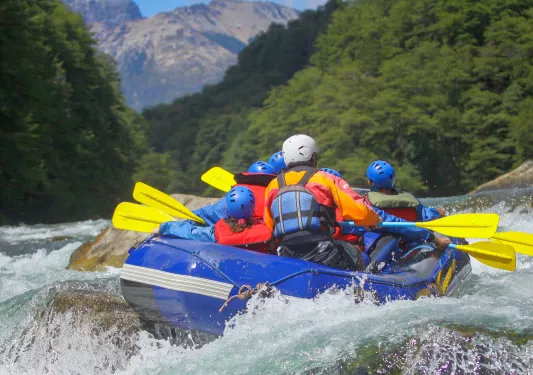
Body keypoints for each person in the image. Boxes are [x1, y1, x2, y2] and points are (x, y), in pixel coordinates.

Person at [263, 134, 381, 271]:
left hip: (286, 253)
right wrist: (375, 220)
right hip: (323, 251)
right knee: (360, 255)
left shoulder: (273, 185)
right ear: (313, 157)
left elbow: (269, 224)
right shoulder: (326, 179)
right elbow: (359, 211)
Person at [158, 186, 272, 253]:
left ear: (226, 209)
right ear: (252, 210)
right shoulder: (264, 229)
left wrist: (165, 227)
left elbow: (192, 232)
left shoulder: (219, 232)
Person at [193, 161, 277, 225]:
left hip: (238, 229)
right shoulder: (276, 193)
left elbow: (211, 213)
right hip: (265, 233)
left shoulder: (240, 192)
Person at [365, 160, 445, 221]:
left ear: (373, 183)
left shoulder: (367, 203)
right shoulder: (411, 202)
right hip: (413, 238)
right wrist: (439, 212)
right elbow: (429, 214)